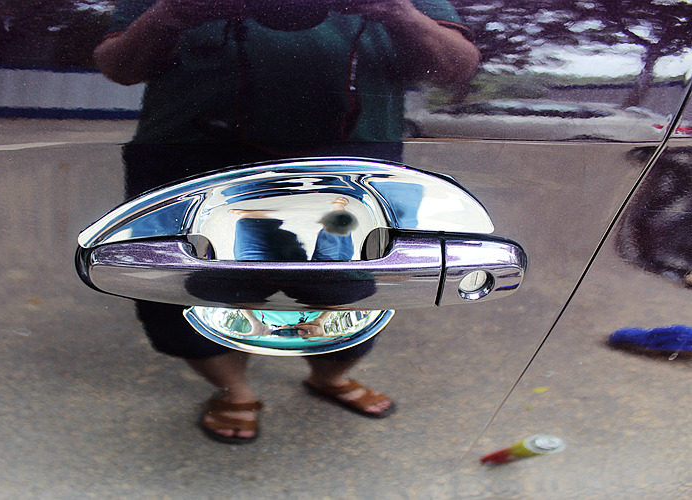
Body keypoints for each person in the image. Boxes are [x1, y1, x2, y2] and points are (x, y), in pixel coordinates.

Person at [94, 0, 479, 443]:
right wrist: (178, 11)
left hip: (352, 161)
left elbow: (456, 67)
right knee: (190, 291)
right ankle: (234, 390)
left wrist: (393, 10)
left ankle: (329, 377)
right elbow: (119, 66)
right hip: (189, 155)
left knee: (349, 289)